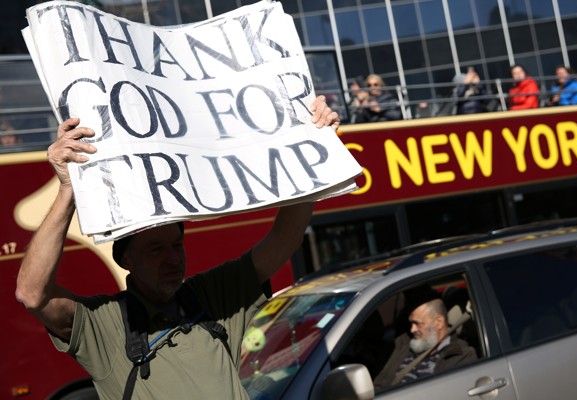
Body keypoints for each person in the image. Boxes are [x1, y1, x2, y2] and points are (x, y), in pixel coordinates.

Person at [15, 96, 340, 399]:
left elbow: (283, 240)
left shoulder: (210, 296)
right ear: (124, 258)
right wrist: (69, 188)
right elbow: (32, 293)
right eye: (155, 249)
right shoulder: (106, 324)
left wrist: (311, 142)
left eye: (177, 245)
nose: (172, 259)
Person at [373, 298, 477, 389]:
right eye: (411, 323)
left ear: (439, 322)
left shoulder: (460, 356)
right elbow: (380, 385)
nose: (412, 329)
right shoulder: (403, 346)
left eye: (417, 323)